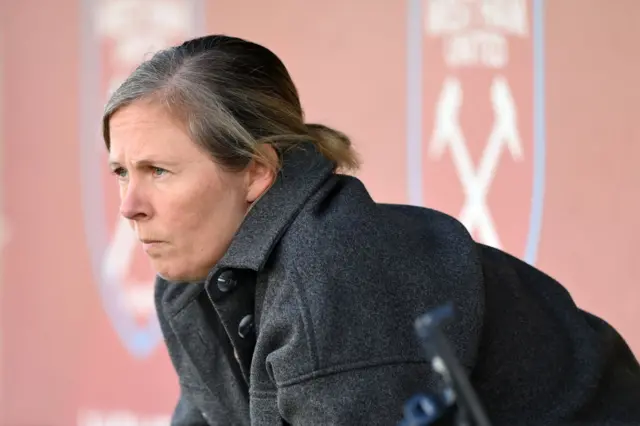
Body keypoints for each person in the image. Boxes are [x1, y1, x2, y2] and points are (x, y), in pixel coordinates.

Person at [102, 34, 640, 426]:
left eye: (159, 171)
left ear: (256, 171)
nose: (130, 206)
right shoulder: (189, 278)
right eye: (122, 171)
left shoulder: (331, 278)